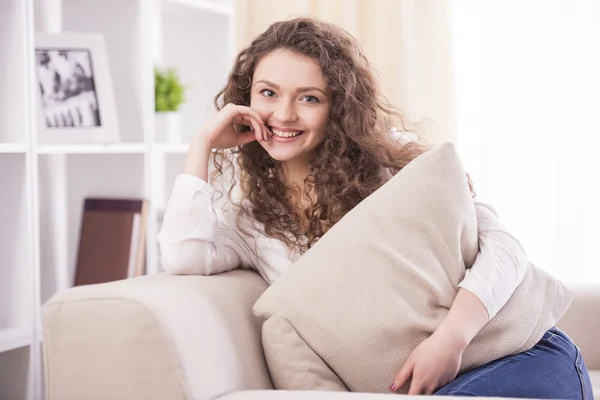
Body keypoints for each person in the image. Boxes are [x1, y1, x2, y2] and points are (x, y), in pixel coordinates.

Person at [157, 17, 593, 399]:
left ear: (338, 107)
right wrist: (203, 146)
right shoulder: (252, 222)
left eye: (309, 98)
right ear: (246, 98)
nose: (283, 115)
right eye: (267, 93)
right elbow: (182, 255)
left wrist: (450, 339)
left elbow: (503, 246)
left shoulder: (392, 165)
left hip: (517, 354)